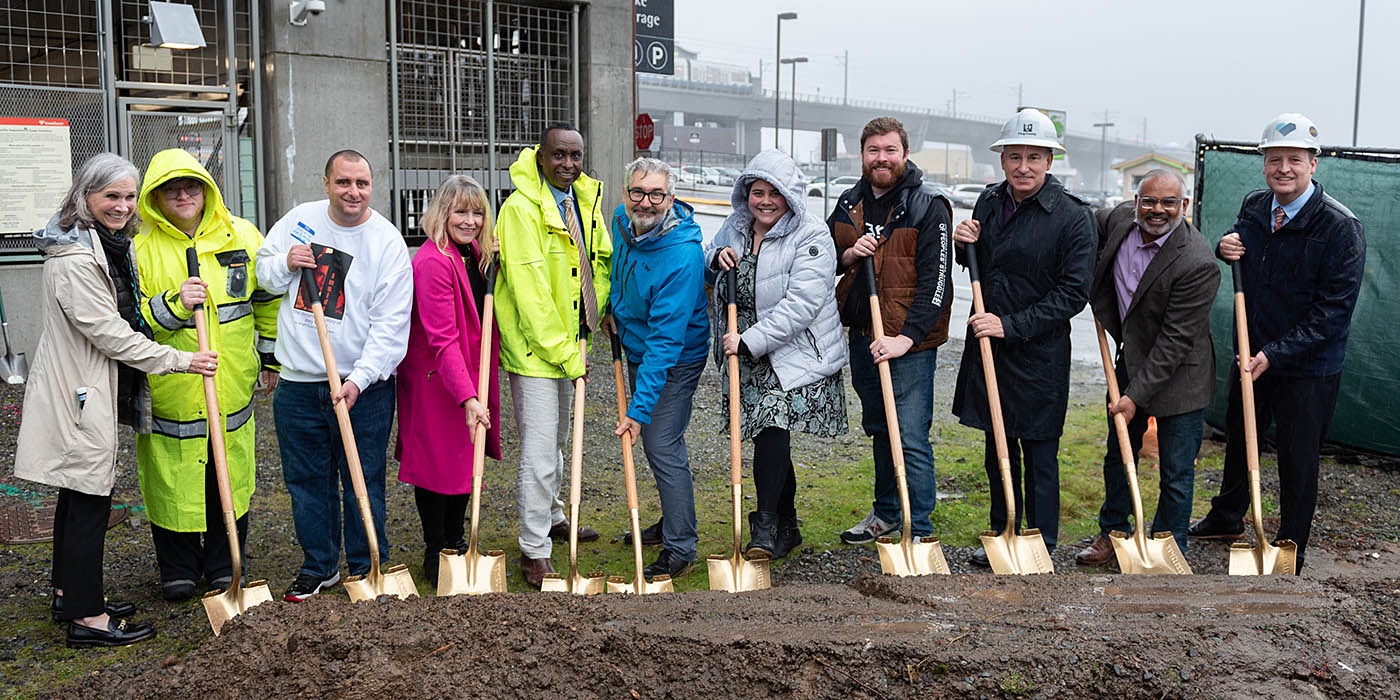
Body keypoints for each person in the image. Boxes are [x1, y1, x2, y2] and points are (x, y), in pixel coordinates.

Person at [17, 153, 218, 648]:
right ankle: (87, 619)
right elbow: (109, 333)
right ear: (86, 196)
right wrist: (179, 360)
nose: (123, 206)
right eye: (112, 196)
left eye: (129, 197)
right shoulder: (76, 259)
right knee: (88, 499)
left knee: (78, 491)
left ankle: (70, 593)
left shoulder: (103, 245)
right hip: (81, 390)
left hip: (91, 384)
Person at [1189, 113, 1365, 574]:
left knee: (1297, 455)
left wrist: (1276, 353)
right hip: (1252, 350)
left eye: (1294, 160)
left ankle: (1290, 545)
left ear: (1313, 164)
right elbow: (1236, 243)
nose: (1283, 168)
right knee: (1239, 438)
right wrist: (1224, 245)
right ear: (1264, 164)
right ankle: (1228, 517)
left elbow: (1333, 313)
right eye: (1274, 159)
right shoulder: (1254, 205)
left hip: (1308, 366)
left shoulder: (1340, 227)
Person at [253, 150, 413, 601]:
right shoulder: (299, 221)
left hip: (363, 388)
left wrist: (359, 380)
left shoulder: (385, 242)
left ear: (371, 186)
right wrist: (285, 262)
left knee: (364, 477)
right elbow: (262, 277)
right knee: (306, 480)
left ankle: (366, 567)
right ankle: (319, 566)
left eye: (361, 183)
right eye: (343, 182)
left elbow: (391, 326)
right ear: (326, 183)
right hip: (300, 382)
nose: (353, 192)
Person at [131, 148, 281, 601]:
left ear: (207, 190)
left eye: (191, 185)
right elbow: (130, 323)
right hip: (171, 387)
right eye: (171, 188)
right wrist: (175, 304)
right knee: (171, 480)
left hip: (231, 384)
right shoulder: (138, 249)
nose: (183, 194)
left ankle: (223, 563)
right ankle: (177, 566)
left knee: (229, 473)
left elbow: (267, 299)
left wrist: (270, 358)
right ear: (154, 197)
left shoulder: (243, 236)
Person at [951, 108, 1096, 568]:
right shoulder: (990, 202)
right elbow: (980, 267)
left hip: (1038, 353)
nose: (1024, 167)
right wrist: (963, 244)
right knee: (997, 449)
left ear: (1050, 161)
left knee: (1038, 452)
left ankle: (1041, 541)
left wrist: (1009, 325)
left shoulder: (1073, 217)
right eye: (1015, 156)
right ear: (1003, 160)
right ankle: (1002, 531)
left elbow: (1073, 294)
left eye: (1035, 157)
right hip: (990, 348)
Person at [707, 148, 848, 560]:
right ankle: (787, 525)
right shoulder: (735, 227)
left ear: (790, 196)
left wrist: (749, 341)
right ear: (745, 193)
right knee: (770, 436)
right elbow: (706, 258)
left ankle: (764, 526)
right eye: (757, 191)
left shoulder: (811, 234)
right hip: (746, 352)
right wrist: (716, 258)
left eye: (775, 193)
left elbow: (802, 305)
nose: (765, 201)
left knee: (770, 427)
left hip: (795, 350)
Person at [1075, 169, 1220, 566]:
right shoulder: (1120, 220)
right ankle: (1113, 533)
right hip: (1128, 359)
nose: (1158, 210)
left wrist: (1134, 397)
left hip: (1180, 373)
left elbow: (1174, 342)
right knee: (1118, 455)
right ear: (1136, 201)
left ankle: (1168, 546)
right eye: (1149, 201)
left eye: (1168, 202)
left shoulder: (1197, 262)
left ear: (1183, 206)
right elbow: (1080, 220)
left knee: (1175, 470)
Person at [827, 117, 954, 545]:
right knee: (880, 429)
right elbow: (820, 259)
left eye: (890, 150)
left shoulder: (928, 205)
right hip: (865, 335)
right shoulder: (848, 203)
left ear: (905, 153)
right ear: (862, 154)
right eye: (873, 150)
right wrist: (846, 255)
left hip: (908, 344)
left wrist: (907, 338)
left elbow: (937, 282)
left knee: (910, 435)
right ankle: (885, 513)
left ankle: (920, 530)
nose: (881, 158)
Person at [494, 125, 610, 588]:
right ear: (541, 157)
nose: (568, 164)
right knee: (539, 453)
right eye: (559, 155)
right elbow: (529, 293)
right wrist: (564, 351)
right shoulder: (520, 208)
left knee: (558, 442)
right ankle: (533, 550)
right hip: (537, 351)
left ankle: (554, 516)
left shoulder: (582, 201)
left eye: (576, 155)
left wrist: (592, 314)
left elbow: (595, 261)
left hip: (570, 346)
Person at [395, 175, 501, 585]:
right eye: (460, 211)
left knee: (461, 462)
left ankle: (457, 540)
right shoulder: (433, 261)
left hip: (465, 372)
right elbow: (442, 338)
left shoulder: (470, 253)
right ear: (442, 213)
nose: (470, 220)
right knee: (438, 467)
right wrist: (468, 397)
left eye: (477, 212)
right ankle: (436, 547)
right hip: (438, 379)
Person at [608, 157, 708, 579]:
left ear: (671, 197)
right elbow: (614, 265)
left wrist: (636, 409)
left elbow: (666, 344)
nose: (645, 203)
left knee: (661, 443)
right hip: (634, 344)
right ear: (627, 191)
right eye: (637, 192)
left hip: (675, 356)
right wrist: (612, 306)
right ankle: (671, 521)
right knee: (653, 440)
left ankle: (681, 546)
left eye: (656, 195)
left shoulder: (683, 257)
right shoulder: (620, 219)